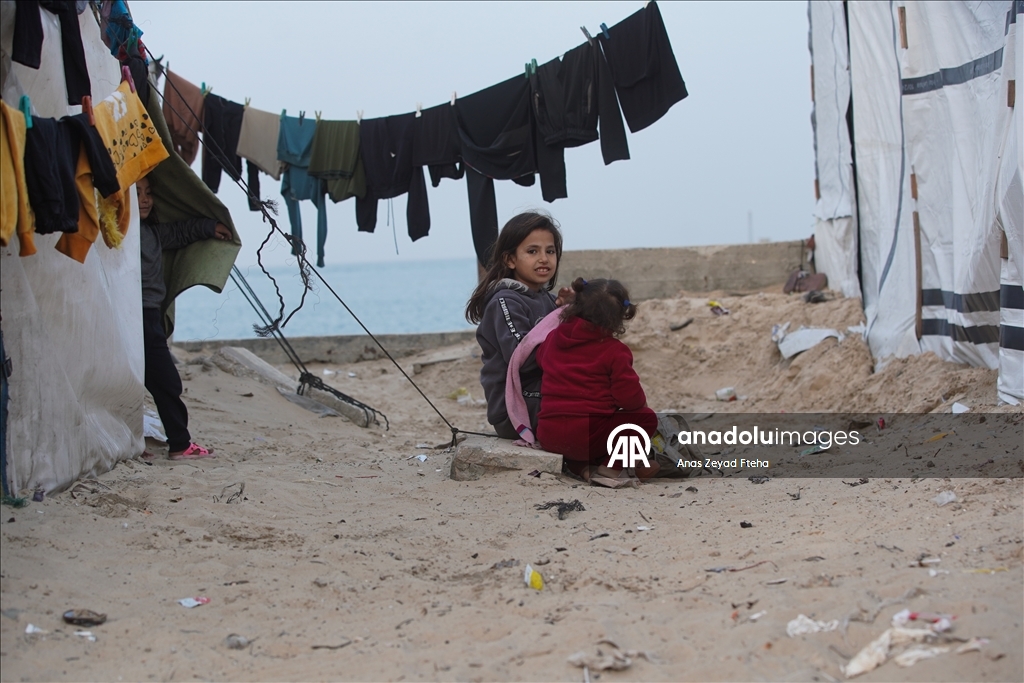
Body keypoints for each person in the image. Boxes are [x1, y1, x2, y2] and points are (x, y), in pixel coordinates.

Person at [137, 176, 231, 459]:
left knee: (154, 380)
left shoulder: (148, 232)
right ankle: (180, 444)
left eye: (149, 193)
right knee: (165, 381)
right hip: (137, 317)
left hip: (148, 315)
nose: (145, 199)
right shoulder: (120, 233)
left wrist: (209, 227)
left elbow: (177, 233)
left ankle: (167, 442)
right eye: (137, 193)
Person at [535, 277, 659, 486]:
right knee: (645, 418)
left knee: (579, 439)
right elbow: (630, 400)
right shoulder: (614, 351)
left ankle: (584, 469)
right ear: (617, 318)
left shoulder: (553, 338)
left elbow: (540, 360)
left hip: (548, 435)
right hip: (587, 436)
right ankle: (612, 469)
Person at [465, 211, 573, 439]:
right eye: (532, 251)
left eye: (550, 251)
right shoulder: (505, 301)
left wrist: (571, 312)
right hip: (515, 408)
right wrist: (560, 321)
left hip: (543, 392)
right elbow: (523, 359)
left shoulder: (548, 300)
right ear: (510, 259)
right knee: (582, 405)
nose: (544, 258)